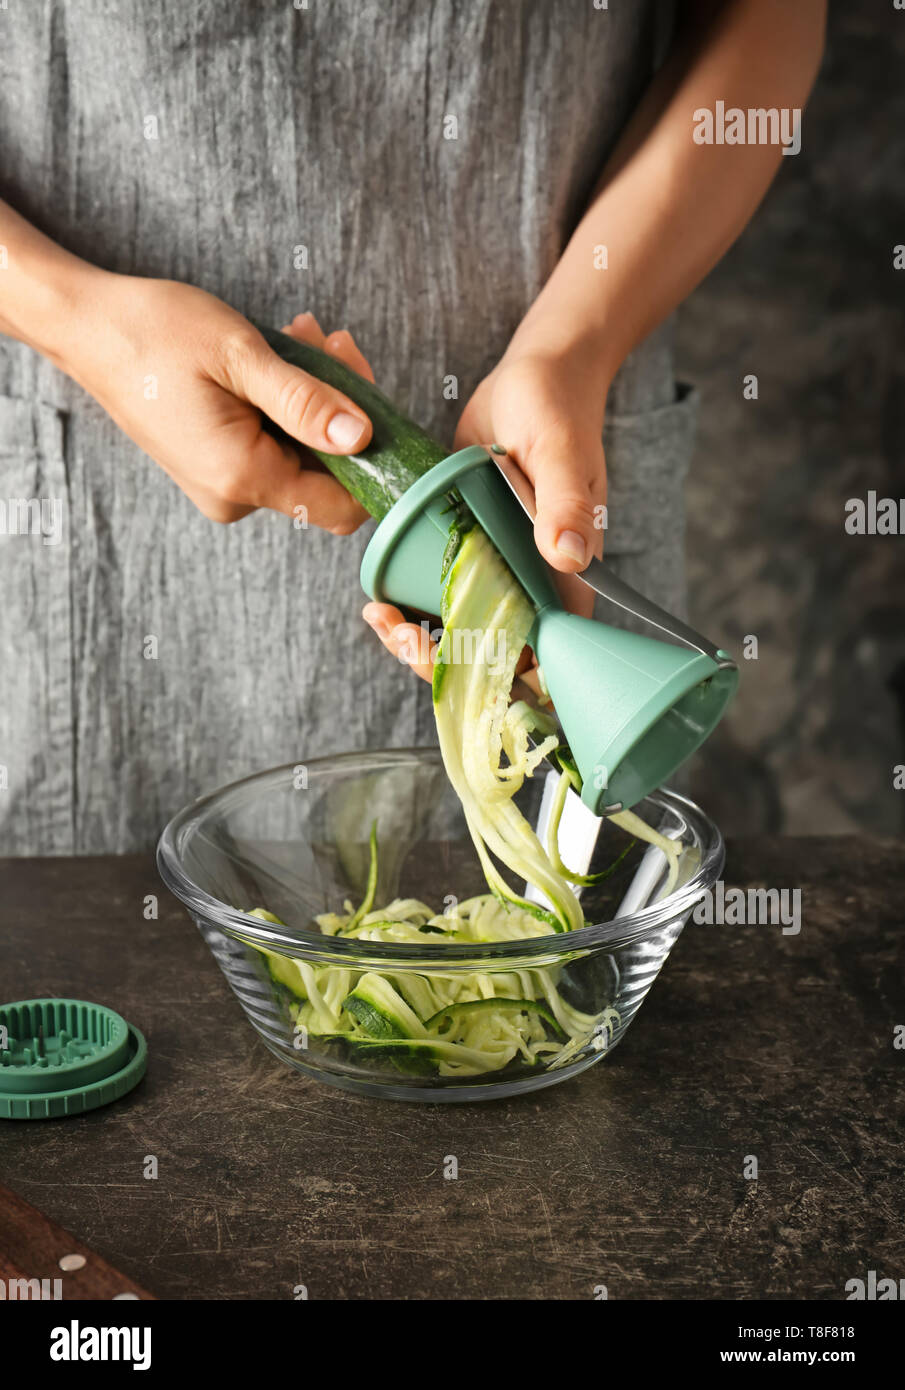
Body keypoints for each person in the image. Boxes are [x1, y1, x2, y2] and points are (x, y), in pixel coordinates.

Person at [0, 0, 825, 854]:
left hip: (549, 450)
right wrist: (70, 318)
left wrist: (572, 346)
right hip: (95, 489)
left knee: (569, 938)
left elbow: (768, 16)